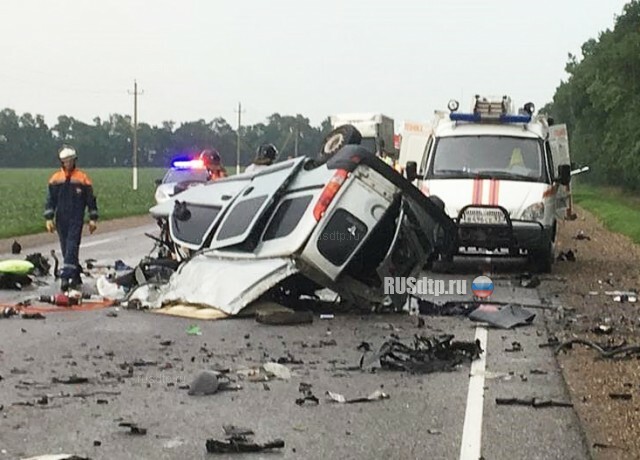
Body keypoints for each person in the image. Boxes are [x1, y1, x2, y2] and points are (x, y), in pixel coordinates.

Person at [44, 146, 98, 291]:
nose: (68, 164)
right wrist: (49, 218)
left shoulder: (82, 178)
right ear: (62, 162)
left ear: (75, 161)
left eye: (70, 161)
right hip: (61, 218)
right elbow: (50, 200)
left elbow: (90, 200)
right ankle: (75, 275)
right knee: (65, 247)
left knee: (72, 246)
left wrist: (93, 218)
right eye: (65, 161)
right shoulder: (55, 179)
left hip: (76, 217)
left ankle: (65, 276)